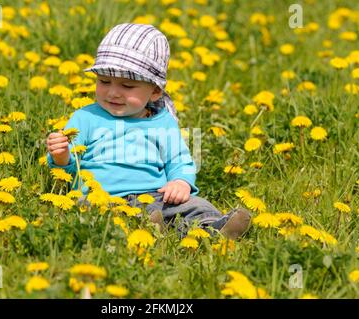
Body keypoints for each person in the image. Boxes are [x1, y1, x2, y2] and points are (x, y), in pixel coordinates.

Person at [46, 23, 251, 239]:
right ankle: (145, 226)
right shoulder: (85, 117)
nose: (113, 92)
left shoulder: (163, 122)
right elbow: (68, 170)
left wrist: (180, 182)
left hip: (157, 197)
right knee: (86, 210)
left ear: (154, 90)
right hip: (101, 197)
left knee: (196, 205)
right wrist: (61, 156)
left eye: (127, 86)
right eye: (104, 81)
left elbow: (179, 160)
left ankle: (213, 228)